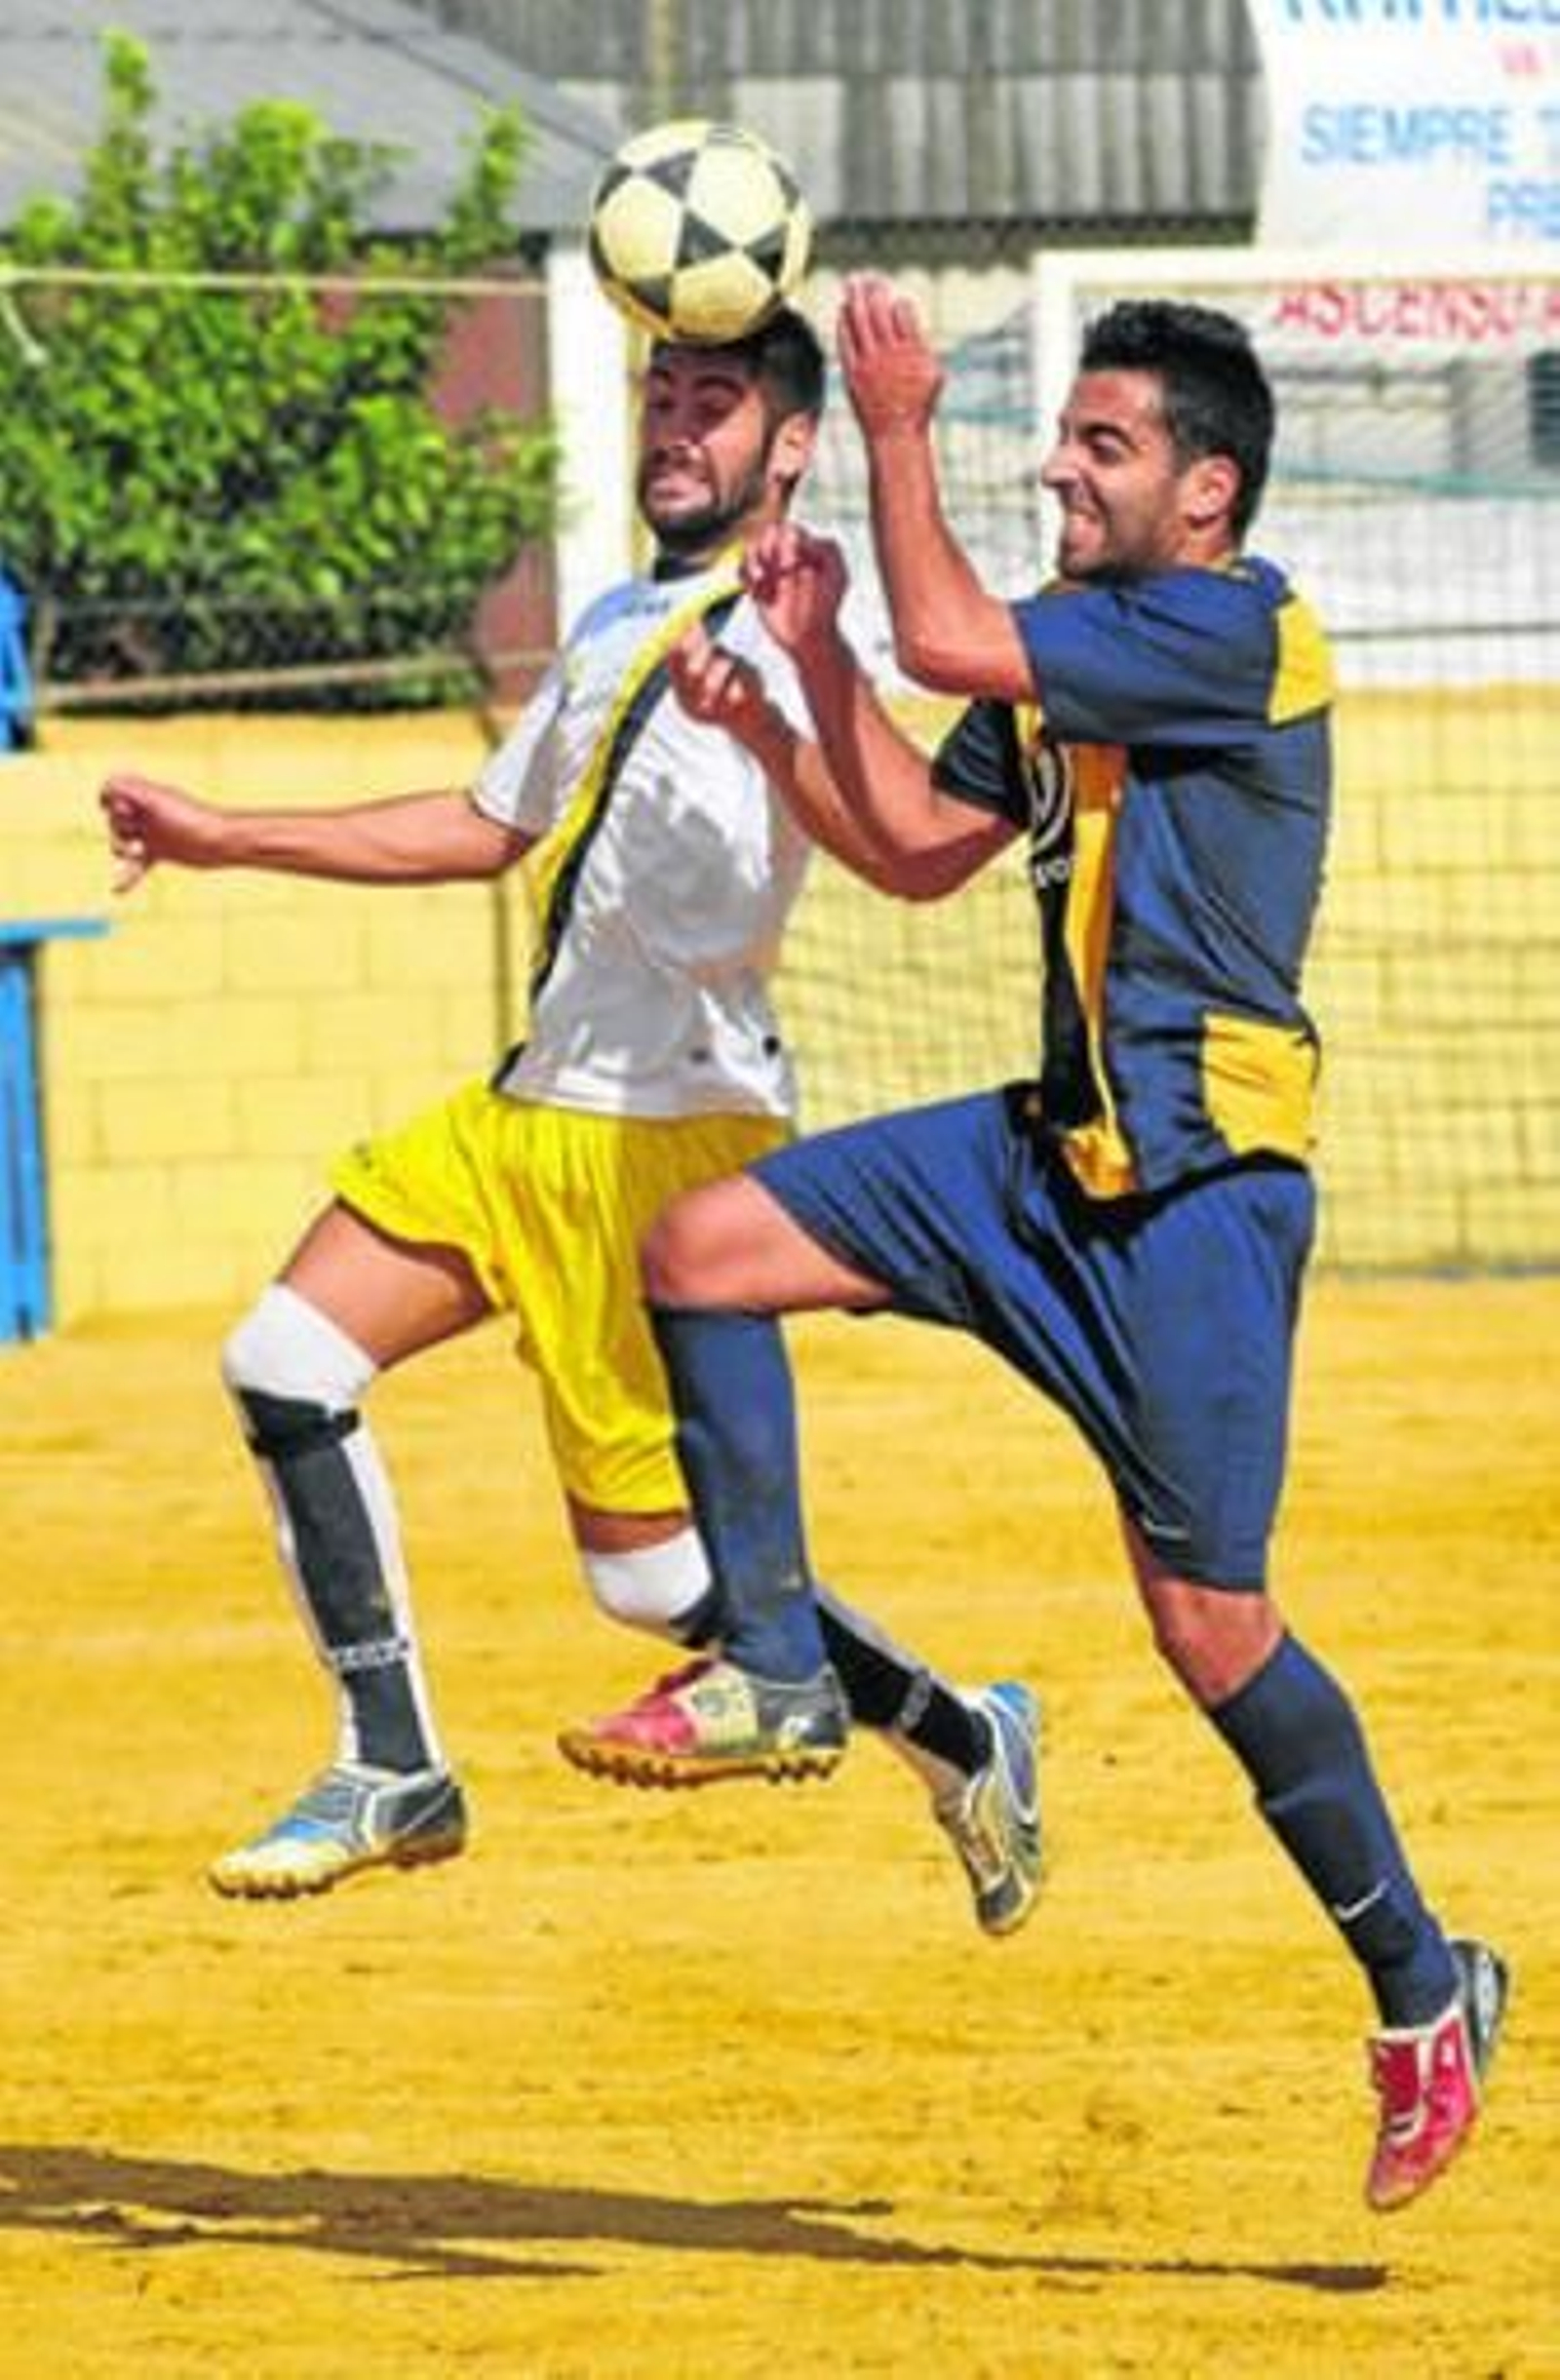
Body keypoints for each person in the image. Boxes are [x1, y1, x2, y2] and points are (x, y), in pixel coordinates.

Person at [566, 279, 1508, 2212]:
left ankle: (1424, 1988)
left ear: (1204, 493)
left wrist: (894, 427)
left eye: (1102, 445)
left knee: (1206, 1627)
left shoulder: (1230, 628)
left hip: (1192, 1202)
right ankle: (770, 1665)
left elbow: (943, 630)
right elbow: (914, 842)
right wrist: (800, 683)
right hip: (1036, 1162)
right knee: (701, 1250)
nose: (1060, 468)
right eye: (1059, 437)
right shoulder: (1083, 645)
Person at [98, 305, 1040, 1933]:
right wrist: (220, 833)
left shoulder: (798, 630)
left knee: (655, 1585)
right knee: (284, 1359)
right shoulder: (613, 618)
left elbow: (896, 844)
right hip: (528, 1103)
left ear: (791, 444)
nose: (677, 424)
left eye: (718, 402)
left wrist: (780, 693)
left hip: (665, 1137)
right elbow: (482, 827)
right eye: (662, 394)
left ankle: (966, 1734)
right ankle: (392, 1762)